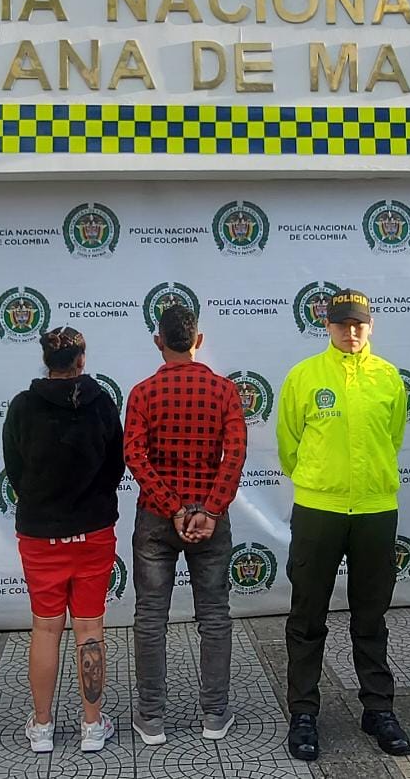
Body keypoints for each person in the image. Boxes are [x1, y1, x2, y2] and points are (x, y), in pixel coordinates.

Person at [277, 289, 410, 760]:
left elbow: (392, 437)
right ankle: (303, 713)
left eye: (358, 324)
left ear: (370, 325)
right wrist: (320, 482)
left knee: (371, 616)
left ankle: (378, 709)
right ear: (327, 326)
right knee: (307, 615)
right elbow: (289, 444)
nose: (351, 332)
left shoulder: (389, 377)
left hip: (375, 509)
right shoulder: (304, 376)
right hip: (319, 510)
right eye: (341, 324)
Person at [123, 304, 248, 745]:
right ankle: (214, 716)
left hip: (157, 519)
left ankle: (151, 719)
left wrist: (173, 508)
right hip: (210, 519)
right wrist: (209, 511)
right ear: (198, 340)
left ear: (158, 342)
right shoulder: (224, 391)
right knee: (214, 617)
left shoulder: (142, 393)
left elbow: (134, 456)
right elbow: (234, 455)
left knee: (150, 618)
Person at [2, 327, 125, 754]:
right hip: (93, 532)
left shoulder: (22, 406)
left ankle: (42, 726)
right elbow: (115, 467)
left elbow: (14, 468)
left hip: (40, 535)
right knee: (90, 628)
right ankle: (92, 726)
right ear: (82, 359)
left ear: (45, 361)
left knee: (45, 627)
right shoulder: (102, 402)